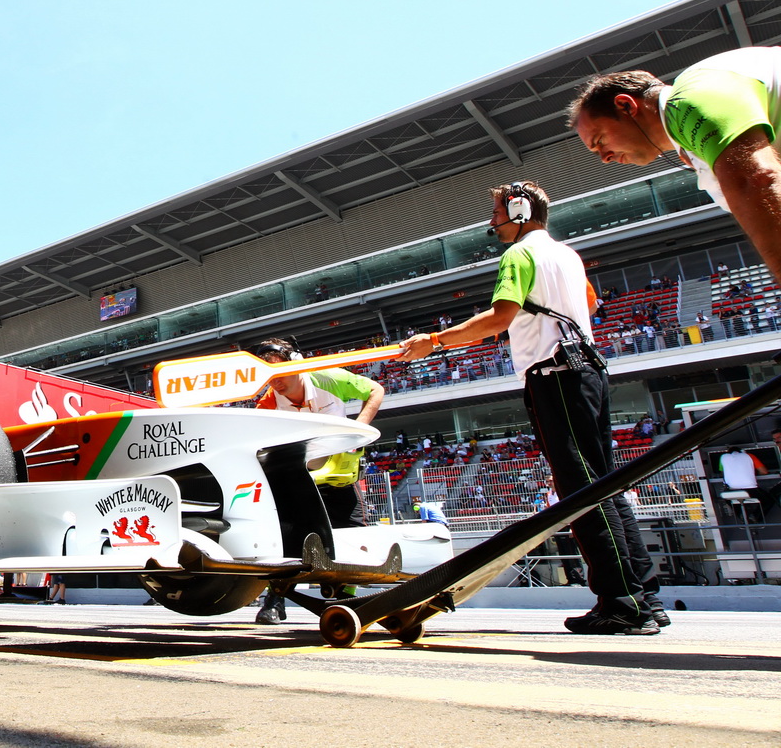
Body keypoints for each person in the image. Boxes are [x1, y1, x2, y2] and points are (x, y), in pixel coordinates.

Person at [396, 181, 664, 635]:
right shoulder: (567, 254)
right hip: (590, 370)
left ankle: (621, 603)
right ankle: (644, 596)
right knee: (606, 483)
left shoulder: (518, 256)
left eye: (496, 211)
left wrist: (434, 341)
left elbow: (499, 319)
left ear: (518, 210)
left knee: (581, 489)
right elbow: (592, 302)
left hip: (554, 376)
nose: (491, 222)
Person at [567, 47, 781, 283]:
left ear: (626, 106)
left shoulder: (689, 101)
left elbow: (757, 182)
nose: (605, 158)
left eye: (600, 141)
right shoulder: (689, 142)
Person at [249, 335, 384, 625]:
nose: (274, 380)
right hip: (299, 481)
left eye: (278, 370)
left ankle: (345, 597)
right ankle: (276, 597)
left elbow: (376, 390)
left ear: (296, 363)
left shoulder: (330, 378)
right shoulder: (269, 402)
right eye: (267, 373)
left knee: (352, 535)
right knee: (288, 539)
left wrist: (358, 430)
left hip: (339, 477)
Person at [719, 447, 775, 518]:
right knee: (768, 500)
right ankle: (755, 517)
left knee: (730, 501)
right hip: (750, 490)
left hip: (731, 490)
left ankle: (741, 516)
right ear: (741, 452)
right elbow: (764, 471)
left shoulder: (723, 457)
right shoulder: (749, 455)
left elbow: (722, 473)